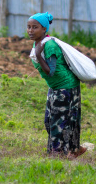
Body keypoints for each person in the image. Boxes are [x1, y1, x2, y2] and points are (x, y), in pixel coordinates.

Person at [27, 12, 86, 158]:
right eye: (28, 27)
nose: (30, 30)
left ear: (44, 29)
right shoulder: (38, 44)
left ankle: (58, 153)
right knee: (49, 120)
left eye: (35, 27)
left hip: (66, 87)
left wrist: (39, 56)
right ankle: (72, 149)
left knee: (60, 121)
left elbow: (50, 71)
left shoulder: (49, 45)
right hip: (55, 87)